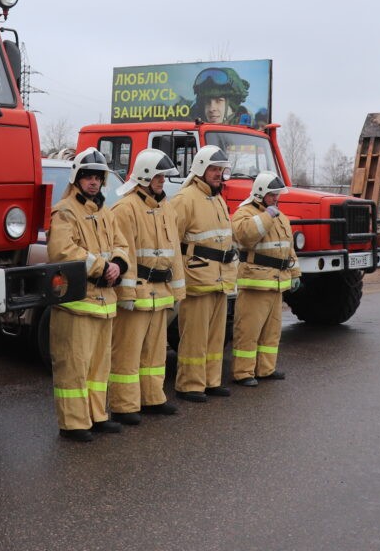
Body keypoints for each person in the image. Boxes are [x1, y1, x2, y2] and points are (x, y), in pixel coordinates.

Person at [46, 148, 131, 442]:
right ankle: (73, 423)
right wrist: (101, 267)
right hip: (77, 303)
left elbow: (121, 244)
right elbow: (63, 251)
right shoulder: (65, 211)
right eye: (88, 177)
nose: (93, 182)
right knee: (75, 366)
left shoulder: (105, 212)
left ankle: (96, 416)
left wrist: (118, 265)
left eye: (97, 177)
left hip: (104, 302)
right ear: (77, 179)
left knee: (98, 367)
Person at [106, 148, 184, 425]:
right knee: (127, 352)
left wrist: (177, 290)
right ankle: (124, 405)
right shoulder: (125, 209)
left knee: (155, 350)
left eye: (164, 176)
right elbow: (123, 253)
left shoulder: (166, 207)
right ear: (144, 175)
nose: (163, 181)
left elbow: (174, 251)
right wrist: (125, 294)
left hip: (160, 293)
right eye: (159, 176)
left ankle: (152, 399)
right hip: (136, 292)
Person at [171, 145, 238, 401]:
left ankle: (211, 381)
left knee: (214, 337)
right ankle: (189, 384)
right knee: (195, 338)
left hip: (220, 279)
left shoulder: (217, 198)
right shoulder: (185, 199)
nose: (218, 174)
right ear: (200, 169)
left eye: (221, 169)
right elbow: (172, 243)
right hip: (197, 278)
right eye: (213, 169)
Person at [229, 171, 300, 386]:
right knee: (249, 330)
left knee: (272, 331)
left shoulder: (281, 217)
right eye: (272, 195)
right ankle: (243, 373)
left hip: (276, 283)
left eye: (277, 195)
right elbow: (245, 236)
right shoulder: (244, 213)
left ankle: (266, 369)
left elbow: (289, 249)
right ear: (260, 194)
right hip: (255, 283)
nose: (276, 199)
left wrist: (296, 273)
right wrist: (267, 215)